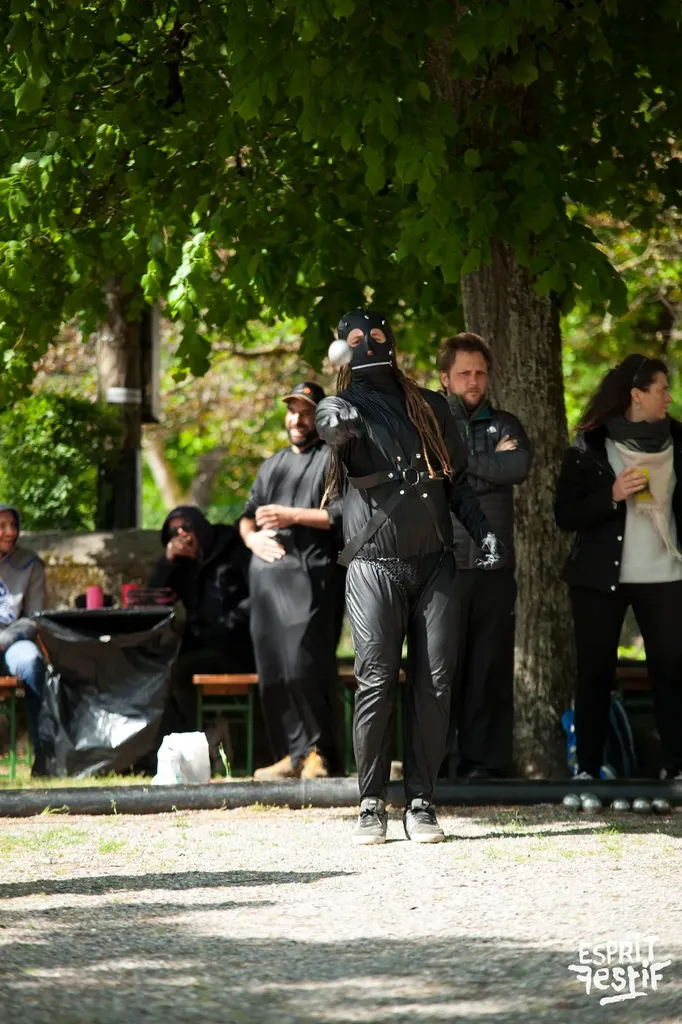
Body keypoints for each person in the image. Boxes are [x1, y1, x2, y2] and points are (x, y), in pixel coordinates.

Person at [316, 311, 502, 845]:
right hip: (373, 566)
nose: (368, 344)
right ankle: (370, 804)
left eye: (376, 336)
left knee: (435, 683)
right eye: (355, 339)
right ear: (342, 348)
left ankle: (421, 802)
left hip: (435, 563)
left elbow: (456, 483)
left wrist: (483, 531)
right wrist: (337, 421)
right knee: (376, 680)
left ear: (392, 342)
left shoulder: (431, 406)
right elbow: (331, 428)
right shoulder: (341, 406)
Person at [555, 354, 682, 782]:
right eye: (661, 389)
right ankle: (588, 770)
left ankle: (676, 768)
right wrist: (610, 495)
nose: (668, 397)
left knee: (671, 672)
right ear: (636, 395)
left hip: (667, 577)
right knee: (595, 672)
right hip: (600, 579)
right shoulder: (590, 446)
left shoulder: (678, 441)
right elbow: (565, 513)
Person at [438, 333, 532, 780]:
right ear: (445, 378)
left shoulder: (506, 424)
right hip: (445, 567)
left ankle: (486, 766)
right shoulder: (432, 424)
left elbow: (517, 467)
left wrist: (461, 463)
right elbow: (434, 478)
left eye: (479, 372)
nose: (473, 380)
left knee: (489, 669)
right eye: (464, 373)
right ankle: (436, 764)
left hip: (495, 567)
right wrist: (487, 464)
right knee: (440, 670)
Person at [239, 381, 344, 780]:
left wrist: (290, 515)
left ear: (320, 418)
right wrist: (252, 539)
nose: (297, 420)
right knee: (274, 670)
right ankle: (291, 753)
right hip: (267, 584)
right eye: (292, 411)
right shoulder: (273, 464)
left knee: (305, 664)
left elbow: (340, 514)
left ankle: (320, 754)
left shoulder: (333, 459)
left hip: (312, 575)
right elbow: (247, 516)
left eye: (306, 413)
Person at [149, 505, 254, 733]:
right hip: (199, 644)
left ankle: (203, 734)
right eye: (173, 532)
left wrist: (228, 623)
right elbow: (153, 599)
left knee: (179, 671)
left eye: (186, 527)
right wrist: (168, 561)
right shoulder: (182, 564)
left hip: (237, 645)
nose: (181, 535)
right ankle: (199, 735)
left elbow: (256, 597)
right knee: (161, 670)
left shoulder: (232, 548)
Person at [0, 504, 47, 773]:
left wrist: (4, 639)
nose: (10, 532)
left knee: (31, 661)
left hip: (13, 642)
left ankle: (42, 755)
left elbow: (34, 618)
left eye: (13, 525)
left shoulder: (31, 564)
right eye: (2, 526)